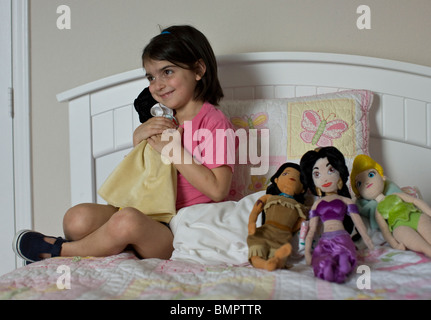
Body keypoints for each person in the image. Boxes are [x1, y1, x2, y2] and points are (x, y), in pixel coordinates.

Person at [13, 25, 236, 263]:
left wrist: (173, 151)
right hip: (146, 211)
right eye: (151, 77)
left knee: (127, 220)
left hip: (180, 229)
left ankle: (57, 253)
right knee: (76, 218)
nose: (157, 85)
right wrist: (138, 141)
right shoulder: (161, 119)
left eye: (167, 72)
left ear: (198, 70)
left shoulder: (215, 123)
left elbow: (217, 189)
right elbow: (144, 176)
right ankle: (108, 244)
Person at [300, 147, 374, 283]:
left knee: (345, 255)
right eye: (317, 174)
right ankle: (330, 268)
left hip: (342, 237)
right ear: (313, 181)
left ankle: (341, 265)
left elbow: (359, 224)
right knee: (321, 259)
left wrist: (368, 241)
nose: (325, 178)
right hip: (325, 240)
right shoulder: (316, 204)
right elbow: (311, 231)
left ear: (339, 174)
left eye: (331, 170)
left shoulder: (346, 200)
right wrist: (307, 253)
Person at [350, 154, 431, 258]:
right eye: (359, 183)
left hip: (415, 215)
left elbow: (415, 201)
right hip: (399, 226)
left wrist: (429, 212)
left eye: (371, 175)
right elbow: (385, 230)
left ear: (382, 177)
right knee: (415, 242)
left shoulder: (396, 194)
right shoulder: (377, 211)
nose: (366, 183)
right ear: (359, 194)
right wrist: (395, 244)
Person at [247, 163, 308, 271]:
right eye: (285, 173)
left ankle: (277, 259)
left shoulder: (300, 207)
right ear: (276, 180)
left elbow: (301, 222)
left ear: (303, 189)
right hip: (265, 230)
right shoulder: (269, 197)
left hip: (283, 235)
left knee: (279, 251)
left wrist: (291, 231)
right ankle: (265, 263)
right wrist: (252, 223)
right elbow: (256, 210)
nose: (291, 177)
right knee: (256, 248)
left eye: (298, 177)